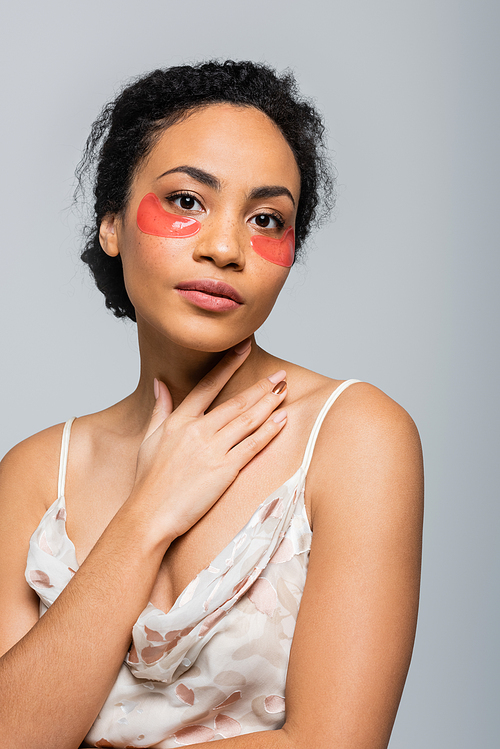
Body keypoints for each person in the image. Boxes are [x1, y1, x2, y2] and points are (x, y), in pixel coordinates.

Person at [0, 61, 423, 749]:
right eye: (187, 201)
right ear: (111, 222)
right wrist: (147, 514)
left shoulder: (355, 436)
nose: (226, 248)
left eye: (266, 218)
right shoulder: (34, 474)